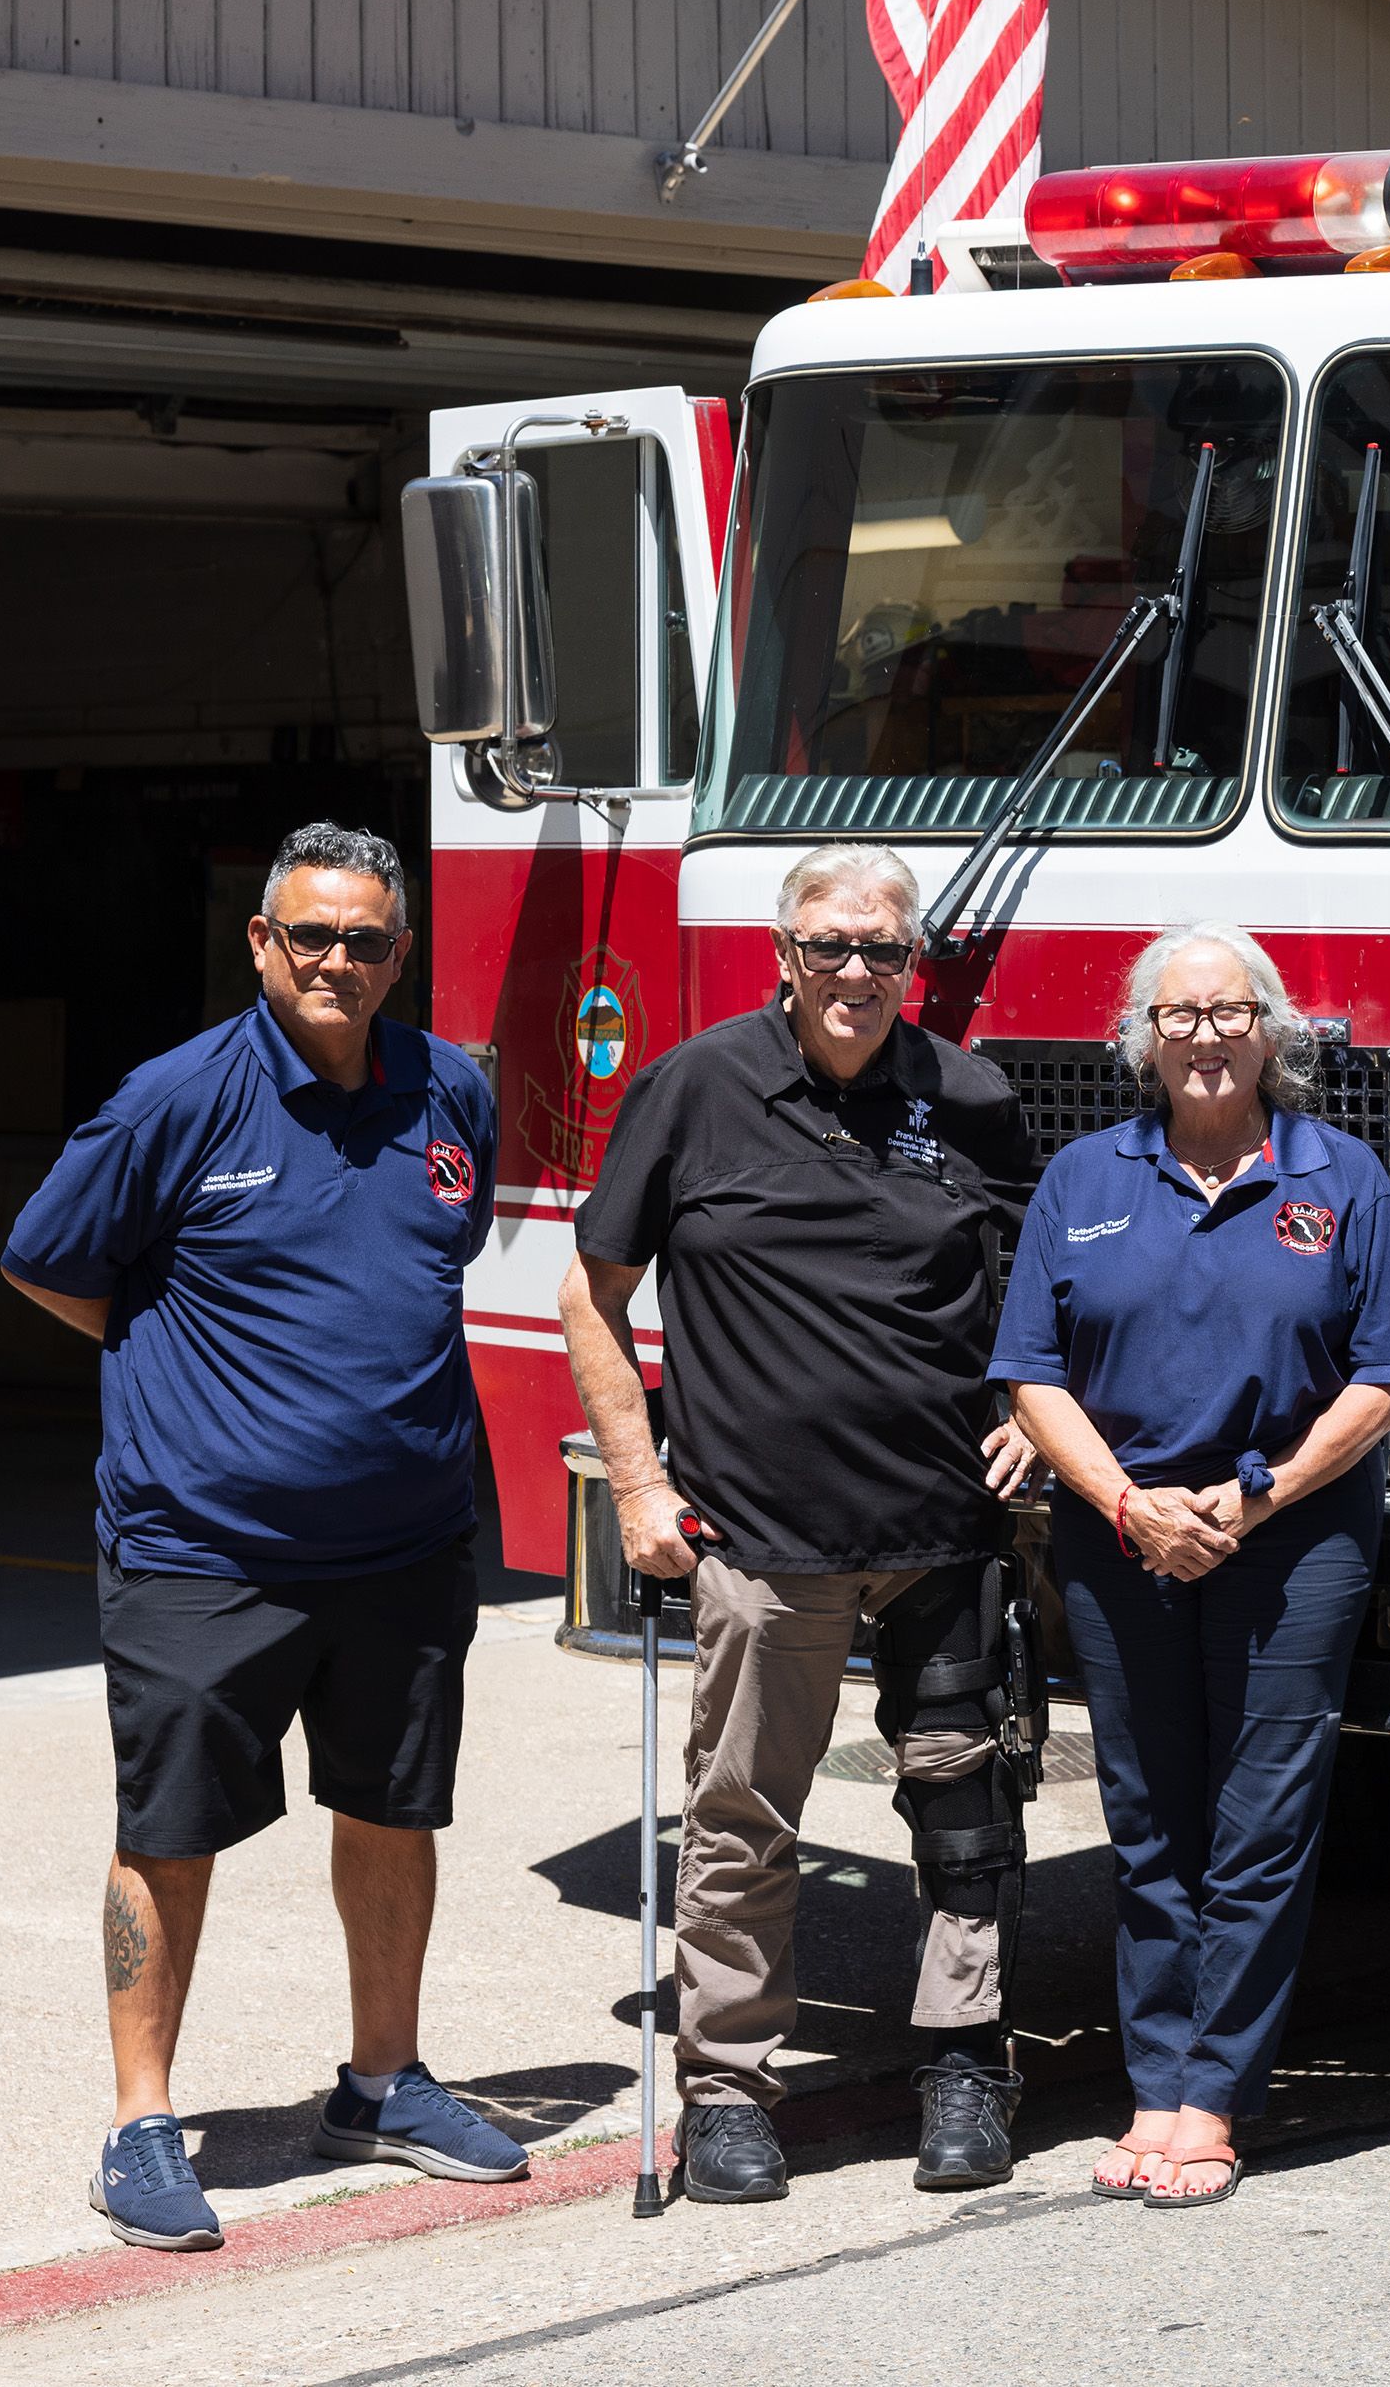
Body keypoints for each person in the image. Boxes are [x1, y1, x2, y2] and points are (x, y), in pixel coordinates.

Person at [3, 822, 529, 2252]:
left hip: (407, 1549)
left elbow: (432, 1253)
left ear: (399, 955)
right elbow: (45, 1262)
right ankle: (141, 2124)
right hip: (202, 1551)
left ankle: (383, 2083)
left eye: (365, 940)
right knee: (167, 1834)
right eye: (312, 935)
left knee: (394, 1812)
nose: (338, 963)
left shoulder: (451, 1093)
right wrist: (187, 1349)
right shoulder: (172, 1101)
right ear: (261, 942)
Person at [561, 842, 1038, 2203]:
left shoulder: (972, 1096)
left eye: (883, 949)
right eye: (831, 946)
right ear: (786, 956)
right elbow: (591, 1294)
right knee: (740, 1822)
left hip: (948, 1532)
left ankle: (960, 2064)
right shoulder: (694, 1089)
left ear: (913, 963)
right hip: (764, 1543)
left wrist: (1031, 1402)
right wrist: (641, 1484)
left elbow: (1050, 1274)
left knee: (966, 1815)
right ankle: (725, 2090)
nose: (856, 973)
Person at [994, 920, 1390, 2207]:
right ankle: (1153, 2081)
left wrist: (1253, 1500)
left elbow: (1387, 1378)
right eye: (1177, 1015)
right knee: (1147, 1825)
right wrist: (1130, 1506)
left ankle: (1212, 2099)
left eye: (1228, 1012)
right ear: (1142, 1037)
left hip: (1291, 1548)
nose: (1203, 1036)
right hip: (1122, 1540)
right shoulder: (1080, 1180)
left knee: (1258, 1828)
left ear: (1270, 1030)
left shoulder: (1342, 1178)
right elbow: (1029, 1376)